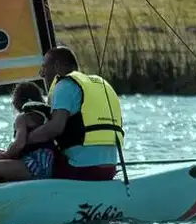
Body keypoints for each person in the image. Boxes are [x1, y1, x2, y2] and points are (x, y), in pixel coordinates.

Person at [25, 45, 124, 181]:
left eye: (44, 67)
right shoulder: (100, 84)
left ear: (57, 66)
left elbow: (55, 128)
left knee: (29, 162)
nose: (41, 74)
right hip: (109, 168)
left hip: (81, 169)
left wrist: (24, 141)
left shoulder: (65, 85)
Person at [0, 81, 56, 183]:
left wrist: (5, 155)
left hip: (34, 168)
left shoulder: (22, 118)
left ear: (18, 101)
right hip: (48, 166)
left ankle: (1, 180)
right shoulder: (46, 116)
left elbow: (19, 144)